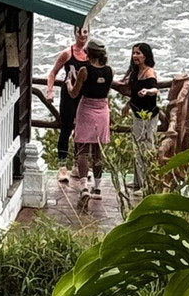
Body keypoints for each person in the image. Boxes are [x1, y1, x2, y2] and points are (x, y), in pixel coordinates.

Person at [67, 38, 113, 197]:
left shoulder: (84, 70)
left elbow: (74, 93)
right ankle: (98, 187)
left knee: (83, 150)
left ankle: (84, 187)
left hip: (86, 109)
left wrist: (68, 83)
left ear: (88, 53)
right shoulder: (110, 71)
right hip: (103, 110)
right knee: (98, 151)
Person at [44, 25, 90, 182]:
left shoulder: (90, 54)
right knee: (66, 129)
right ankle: (62, 167)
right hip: (69, 96)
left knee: (81, 131)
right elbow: (53, 72)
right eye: (79, 32)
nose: (82, 35)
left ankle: (77, 165)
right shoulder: (67, 53)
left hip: (84, 96)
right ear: (75, 33)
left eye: (85, 32)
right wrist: (49, 91)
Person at [115, 42, 160, 190]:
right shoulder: (134, 73)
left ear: (145, 56)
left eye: (138, 53)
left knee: (147, 146)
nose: (135, 56)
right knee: (137, 147)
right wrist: (127, 105)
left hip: (149, 116)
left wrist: (147, 91)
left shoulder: (149, 72)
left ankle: (148, 182)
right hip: (137, 114)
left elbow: (155, 89)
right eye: (134, 53)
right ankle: (138, 182)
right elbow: (132, 92)